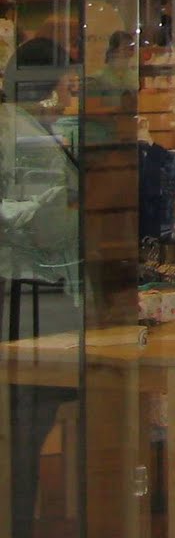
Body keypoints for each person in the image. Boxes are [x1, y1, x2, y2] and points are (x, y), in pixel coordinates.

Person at [0, 37, 82, 532]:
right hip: (30, 288)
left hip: (30, 286)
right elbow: (44, 224)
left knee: (27, 419)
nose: (72, 89)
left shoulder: (25, 127)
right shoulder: (18, 132)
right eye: (67, 79)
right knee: (27, 418)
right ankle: (18, 519)